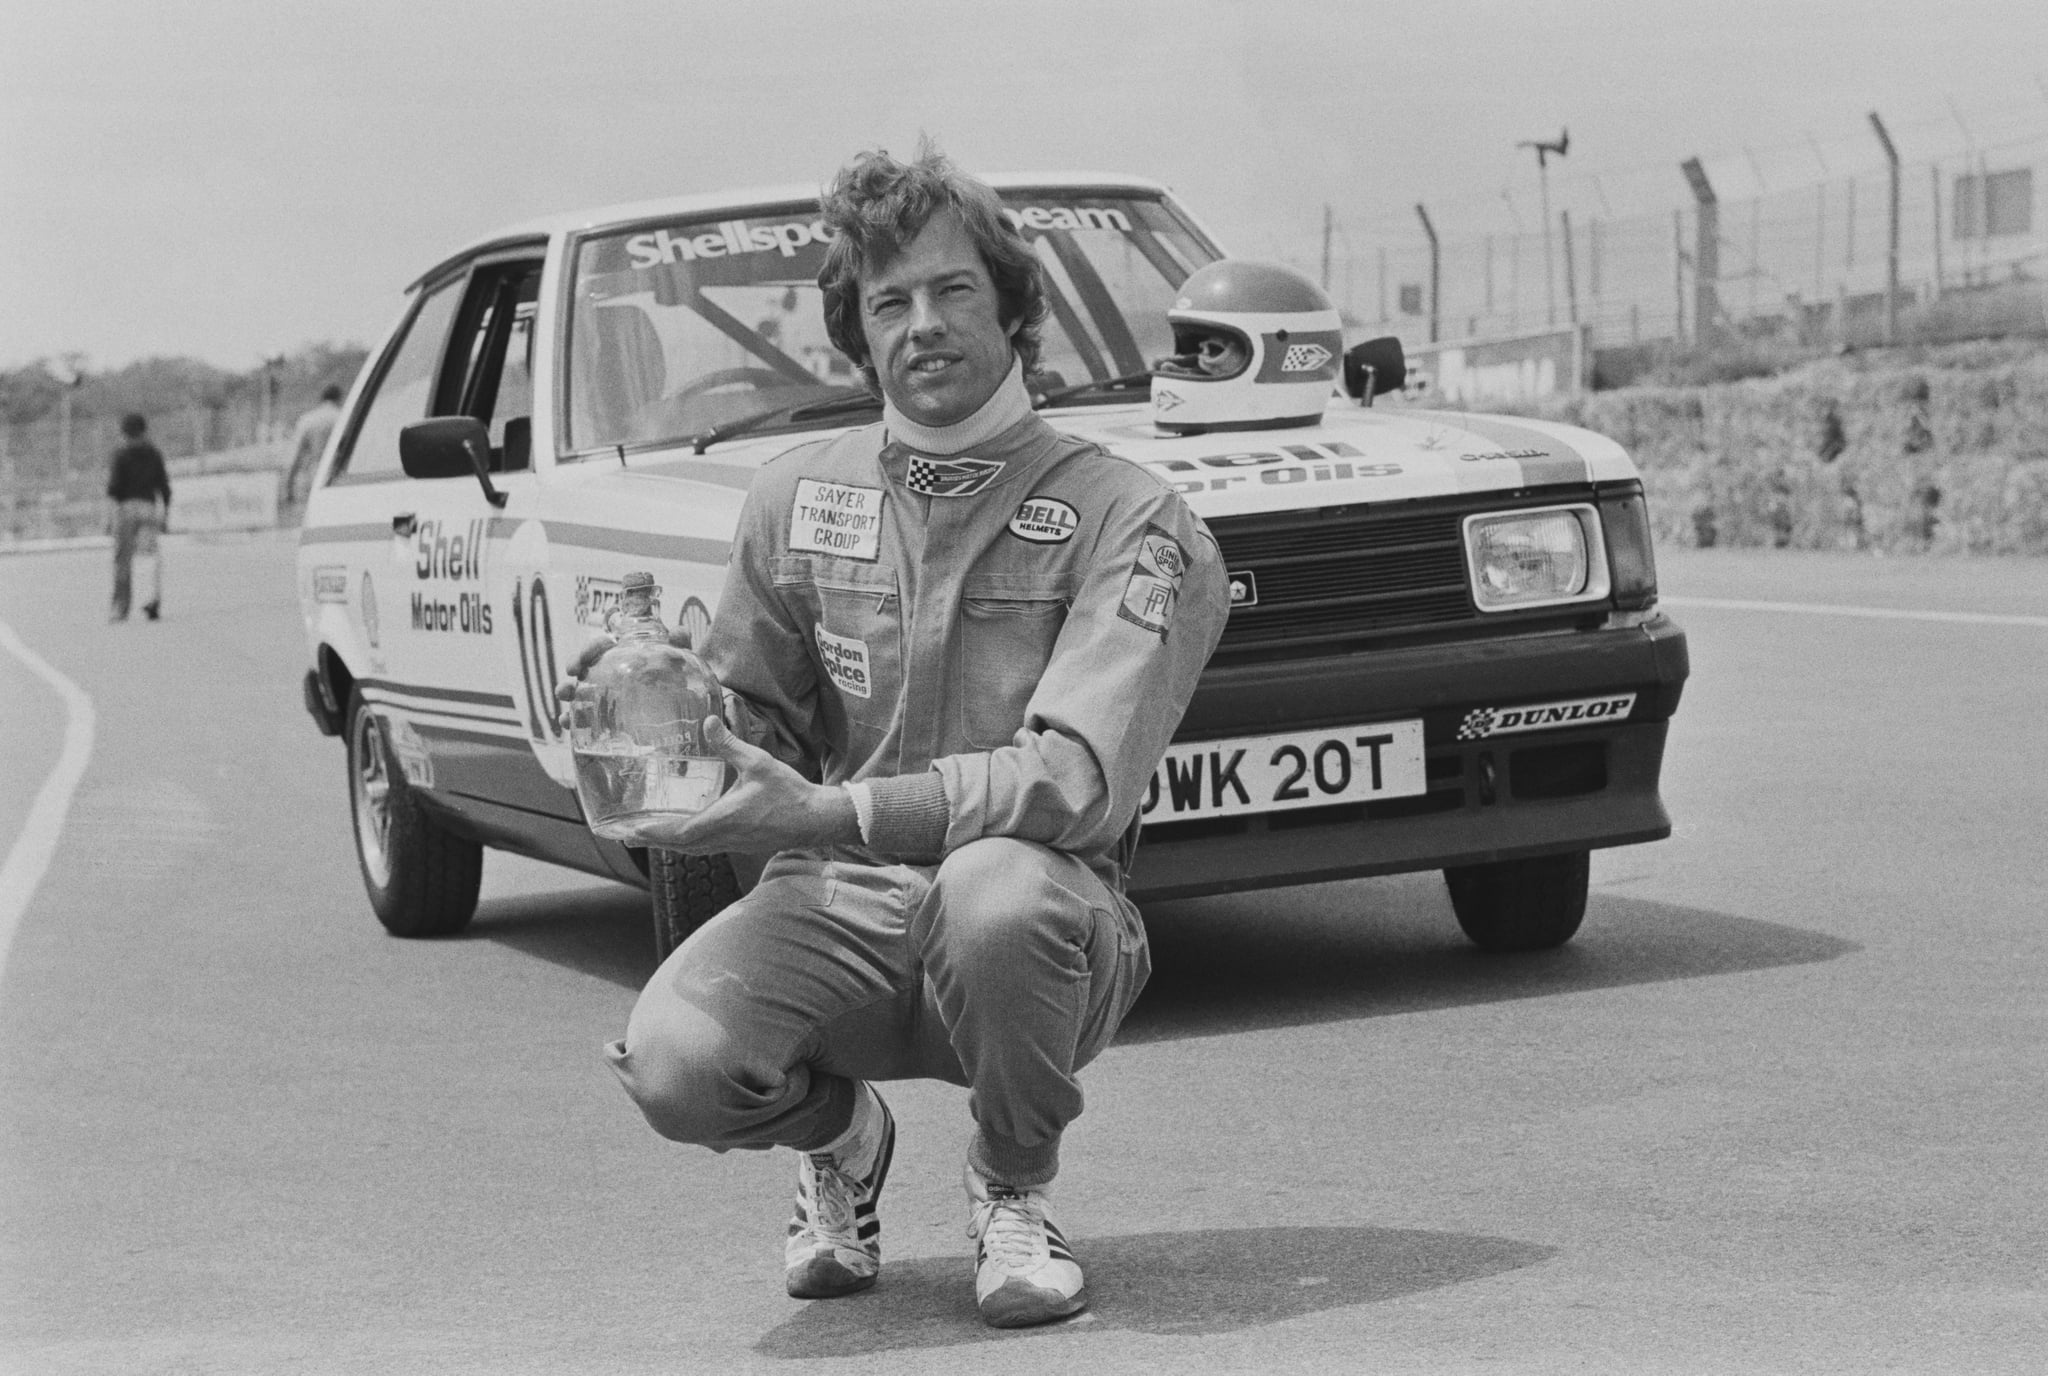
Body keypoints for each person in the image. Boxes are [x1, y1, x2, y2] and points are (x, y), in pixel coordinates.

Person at [585, 145, 1228, 1329]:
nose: (921, 325)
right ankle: (843, 1137)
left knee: (996, 893)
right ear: (856, 329)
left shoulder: (1132, 517)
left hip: (1039, 922)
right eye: (889, 301)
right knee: (670, 1061)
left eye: (951, 292)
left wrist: (833, 811)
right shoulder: (793, 496)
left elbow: (1074, 780)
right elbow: (752, 721)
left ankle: (1010, 1183)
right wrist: (657, 709)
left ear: (1014, 309)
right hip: (837, 906)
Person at [105, 412, 171, 621]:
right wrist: (165, 514)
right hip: (148, 508)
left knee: (122, 560)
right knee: (148, 556)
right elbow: (164, 487)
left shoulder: (120, 454)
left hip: (125, 509)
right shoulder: (154, 454)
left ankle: (120, 608)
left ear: (123, 433)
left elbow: (114, 489)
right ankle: (150, 599)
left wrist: (109, 518)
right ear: (144, 431)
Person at [283, 383, 344, 509]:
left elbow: (295, 458)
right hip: (340, 477)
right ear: (339, 398)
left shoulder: (308, 420)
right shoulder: (343, 418)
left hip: (314, 477)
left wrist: (288, 487)